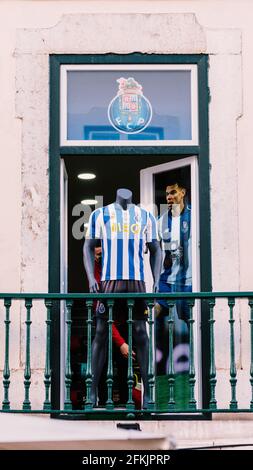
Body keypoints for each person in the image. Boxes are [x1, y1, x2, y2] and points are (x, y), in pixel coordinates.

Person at [83, 188, 161, 408]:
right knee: (100, 331)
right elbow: (87, 247)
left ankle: (148, 393)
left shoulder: (146, 216)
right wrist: (91, 278)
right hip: (109, 282)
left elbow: (156, 249)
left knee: (140, 333)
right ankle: (92, 394)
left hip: (137, 283)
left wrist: (156, 279)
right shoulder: (100, 214)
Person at [155, 176, 192, 321]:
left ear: (183, 193)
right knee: (153, 314)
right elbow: (153, 250)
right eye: (167, 194)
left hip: (187, 280)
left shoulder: (194, 216)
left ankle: (195, 344)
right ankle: (147, 342)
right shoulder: (160, 221)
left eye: (173, 192)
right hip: (166, 280)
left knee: (188, 318)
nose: (169, 197)